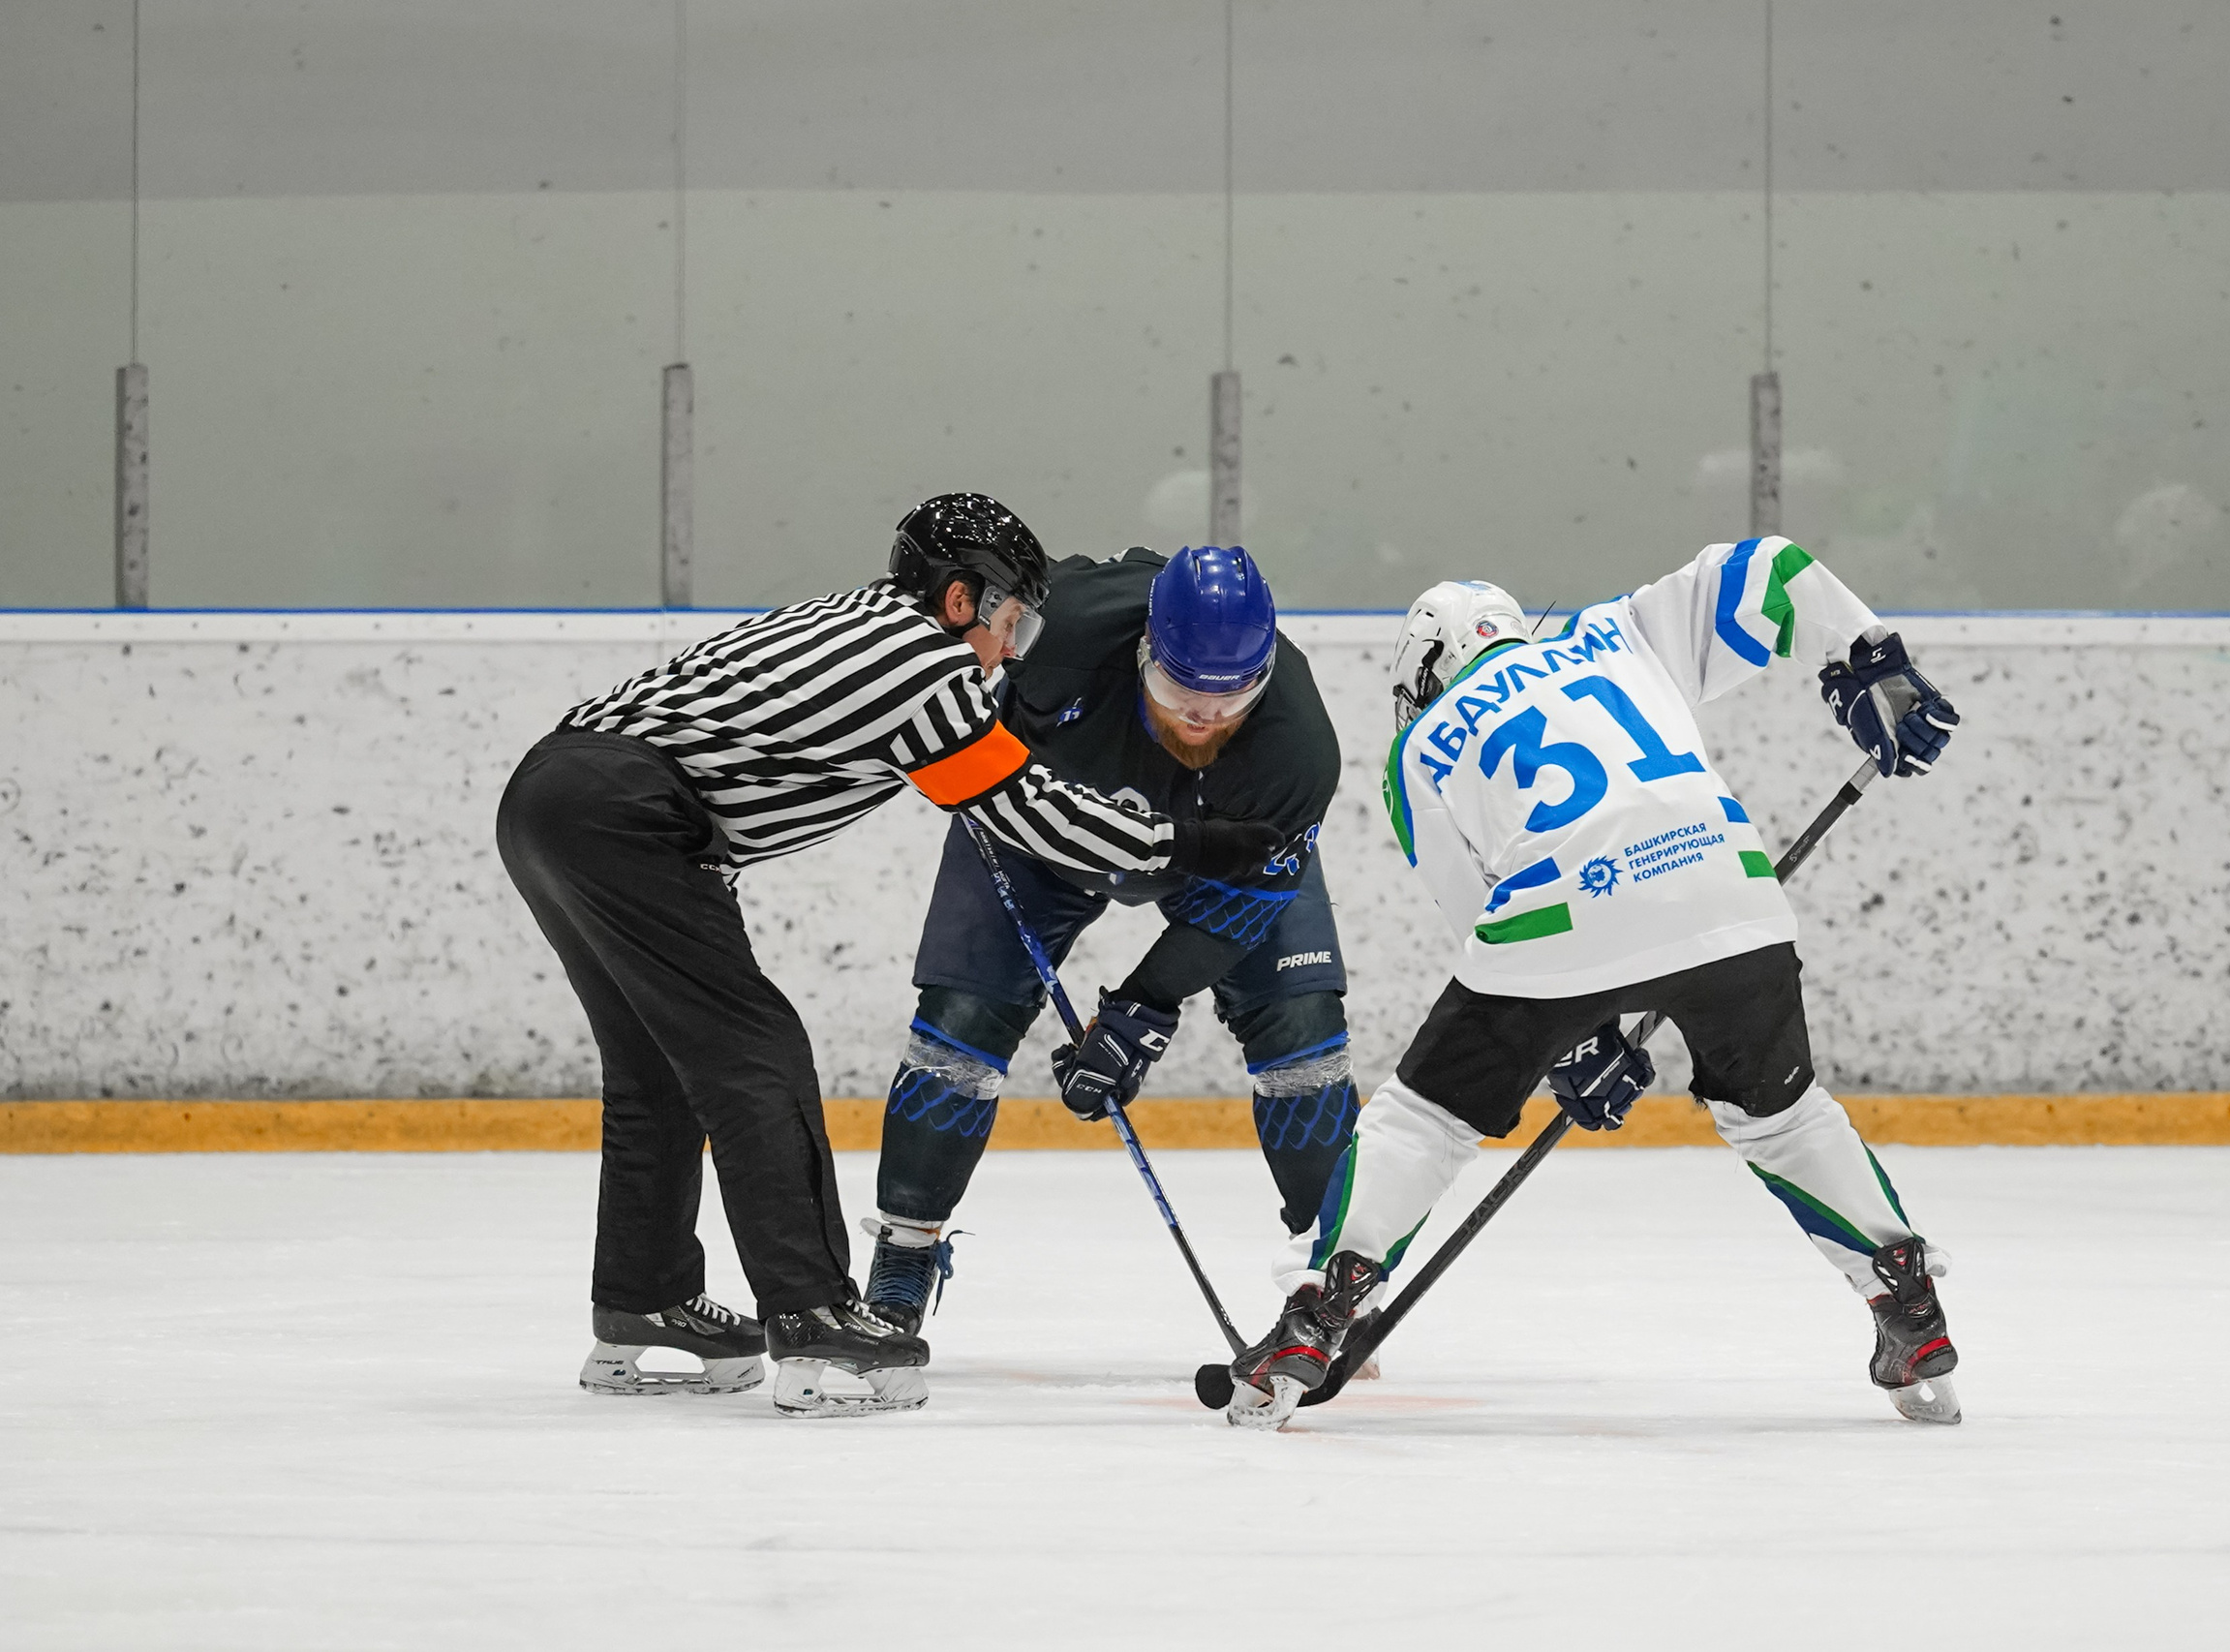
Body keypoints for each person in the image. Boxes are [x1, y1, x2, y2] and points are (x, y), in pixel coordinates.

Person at [496, 495, 1283, 1418]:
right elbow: (1026, 810)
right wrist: (1183, 846)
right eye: (1012, 622)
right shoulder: (925, 664)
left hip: (553, 798)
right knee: (760, 1054)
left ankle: (643, 1299)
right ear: (961, 601)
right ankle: (814, 1312)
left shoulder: (859, 620)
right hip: (626, 819)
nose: (1011, 649)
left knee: (659, 1069)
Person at [1225, 536, 1965, 1429]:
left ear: (1429, 668)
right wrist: (1869, 663)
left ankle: (1320, 1308)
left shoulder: (1418, 748)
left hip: (1555, 916)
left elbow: (1477, 914)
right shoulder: (1615, 633)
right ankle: (1906, 1302)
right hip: (1729, 884)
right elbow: (1773, 567)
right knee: (1784, 1113)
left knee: (1426, 1117)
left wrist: (1574, 1039)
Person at [859, 545, 1358, 1365]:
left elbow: (1244, 910)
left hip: (1229, 855)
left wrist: (1144, 1004)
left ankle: (1336, 1286)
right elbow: (939, 652)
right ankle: (903, 1259)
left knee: (1301, 1027)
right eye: (1178, 692)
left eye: (1230, 698)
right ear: (1143, 654)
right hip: (1042, 837)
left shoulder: (1298, 748)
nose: (1201, 717)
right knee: (960, 1022)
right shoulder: (1064, 628)